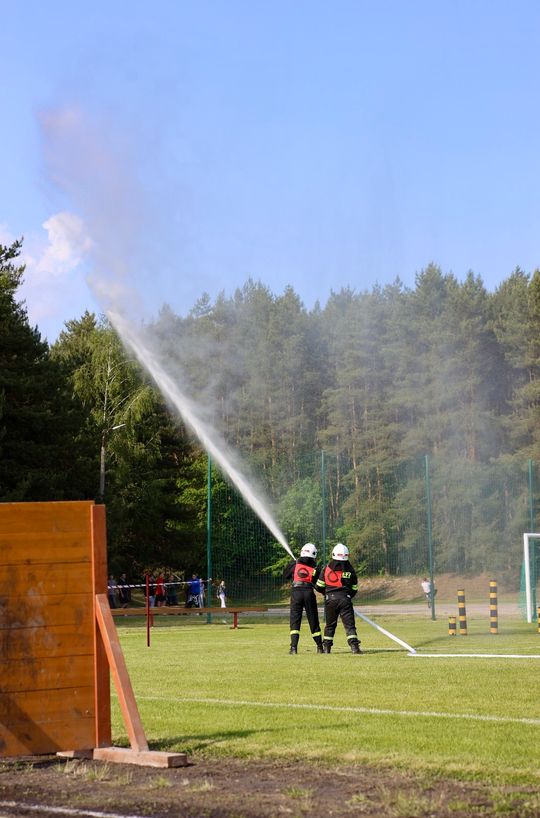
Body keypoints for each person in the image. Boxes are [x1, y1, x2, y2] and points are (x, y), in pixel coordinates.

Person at [316, 543, 361, 654]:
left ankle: (326, 648)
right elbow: (354, 588)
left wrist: (326, 593)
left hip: (330, 599)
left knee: (330, 625)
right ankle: (354, 648)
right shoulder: (349, 569)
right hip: (345, 599)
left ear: (333, 554)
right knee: (349, 625)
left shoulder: (326, 568)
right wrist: (348, 596)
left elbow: (319, 586)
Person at [284, 543, 323, 655]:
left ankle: (293, 648)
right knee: (313, 619)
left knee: (295, 620)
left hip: (296, 593)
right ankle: (320, 647)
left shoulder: (294, 564)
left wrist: (291, 565)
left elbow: (285, 575)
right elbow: (319, 583)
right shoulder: (315, 568)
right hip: (309, 593)